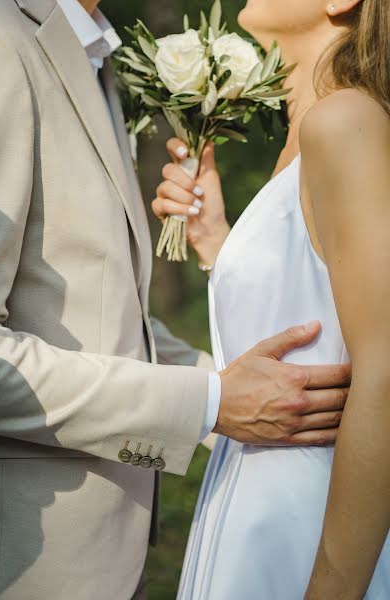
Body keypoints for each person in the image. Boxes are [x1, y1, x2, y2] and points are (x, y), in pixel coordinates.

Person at [0, 1, 352, 599]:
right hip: (28, 560)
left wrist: (256, 398)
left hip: (113, 553)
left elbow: (99, 315)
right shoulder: (1, 41)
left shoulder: (93, 54)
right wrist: (210, 403)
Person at [153, 0, 390, 598]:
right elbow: (312, 308)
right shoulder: (307, 134)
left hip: (314, 528)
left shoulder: (345, 120)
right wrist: (218, 244)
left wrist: (333, 589)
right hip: (251, 508)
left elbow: (386, 366)